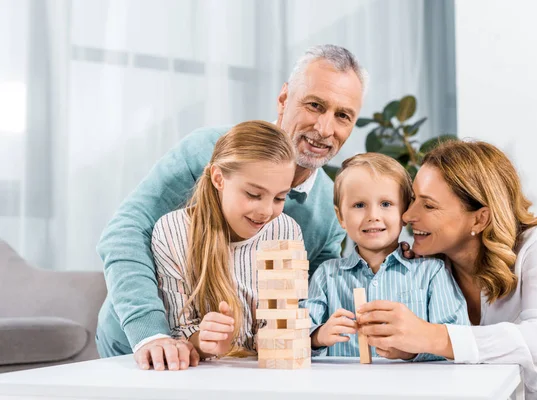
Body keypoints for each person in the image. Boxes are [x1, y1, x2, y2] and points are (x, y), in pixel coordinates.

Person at [95, 45, 368, 370]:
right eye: (314, 105)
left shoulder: (328, 210)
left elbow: (307, 306)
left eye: (342, 116)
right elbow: (124, 232)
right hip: (138, 348)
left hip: (233, 366)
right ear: (283, 100)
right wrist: (150, 334)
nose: (325, 129)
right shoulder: (206, 152)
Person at [358, 140, 537, 399]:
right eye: (414, 199)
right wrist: (412, 349)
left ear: (479, 218)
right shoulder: (431, 267)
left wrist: (434, 337)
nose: (407, 216)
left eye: (428, 205)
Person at [150, 121, 301, 369]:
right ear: (219, 178)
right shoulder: (172, 231)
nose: (266, 211)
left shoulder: (287, 230)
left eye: (279, 197)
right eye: (253, 194)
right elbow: (180, 329)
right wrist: (207, 342)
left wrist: (277, 336)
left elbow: (287, 314)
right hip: (204, 376)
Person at [301, 153, 468, 359]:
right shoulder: (326, 275)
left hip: (411, 388)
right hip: (343, 388)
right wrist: (317, 336)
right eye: (359, 205)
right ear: (340, 217)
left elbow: (458, 337)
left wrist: (412, 352)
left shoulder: (431, 272)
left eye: (386, 204)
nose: (373, 215)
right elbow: (296, 334)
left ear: (405, 213)